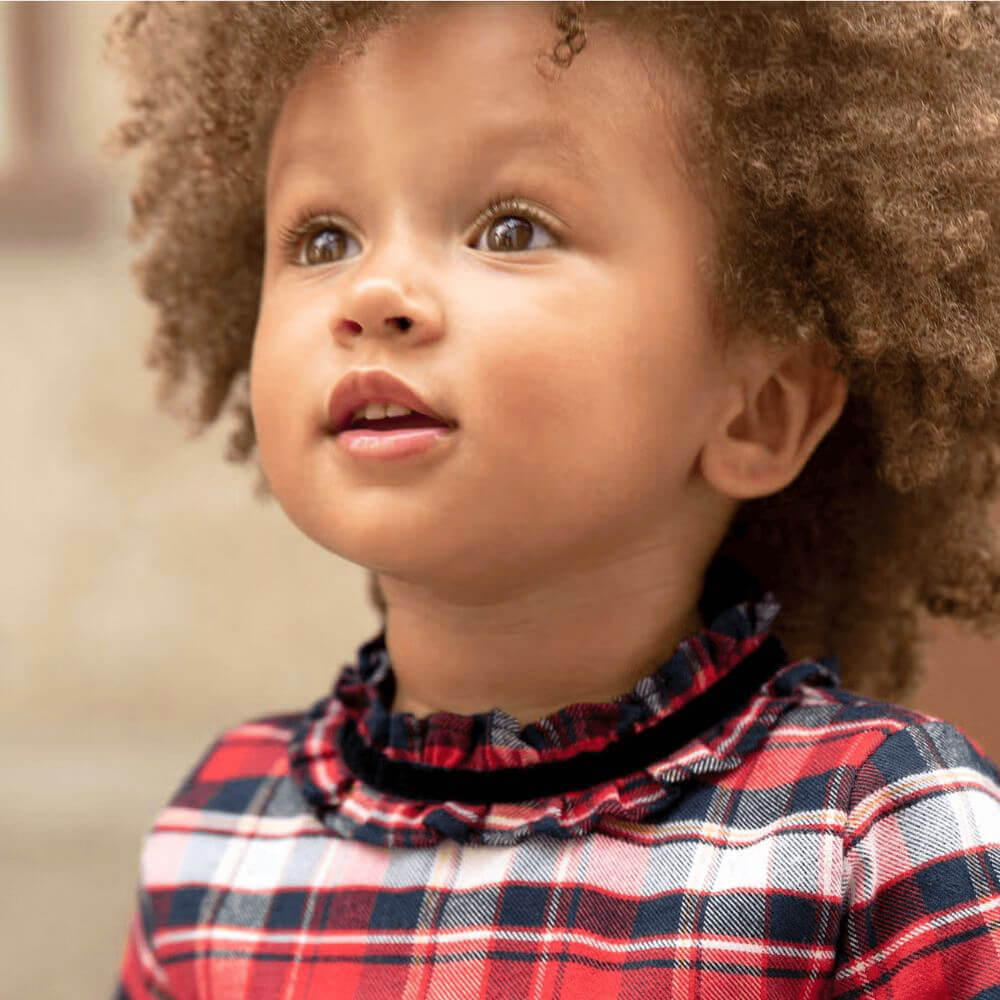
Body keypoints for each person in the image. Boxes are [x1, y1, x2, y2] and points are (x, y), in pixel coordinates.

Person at [106, 2, 1000, 996]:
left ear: (758, 412)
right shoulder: (217, 835)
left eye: (510, 228)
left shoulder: (869, 836)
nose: (374, 291)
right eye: (322, 239)